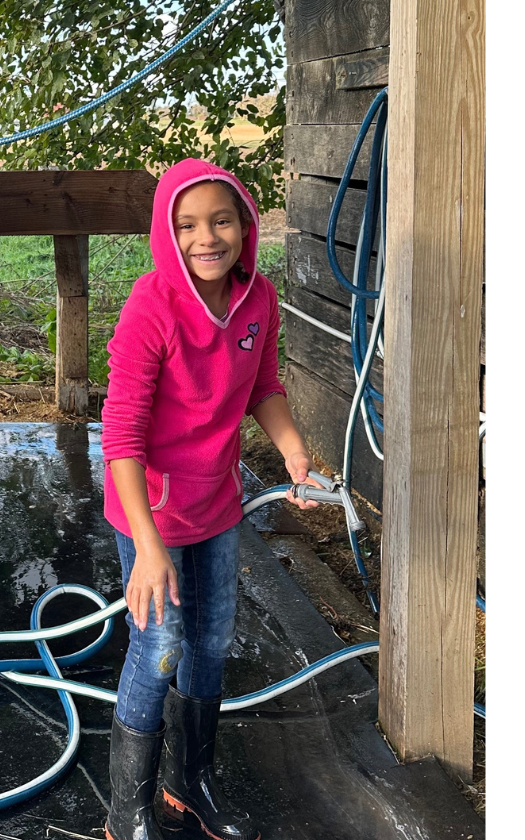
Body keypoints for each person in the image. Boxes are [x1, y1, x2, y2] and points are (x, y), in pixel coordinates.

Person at [101, 159, 321, 840]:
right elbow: (122, 435)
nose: (207, 237)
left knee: (211, 640)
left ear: (246, 225)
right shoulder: (151, 305)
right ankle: (125, 810)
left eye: (221, 220)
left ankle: (187, 782)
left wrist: (291, 449)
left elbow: (263, 387)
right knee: (161, 644)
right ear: (168, 233)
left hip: (217, 503)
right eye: (188, 223)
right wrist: (146, 548)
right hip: (151, 512)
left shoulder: (259, 300)